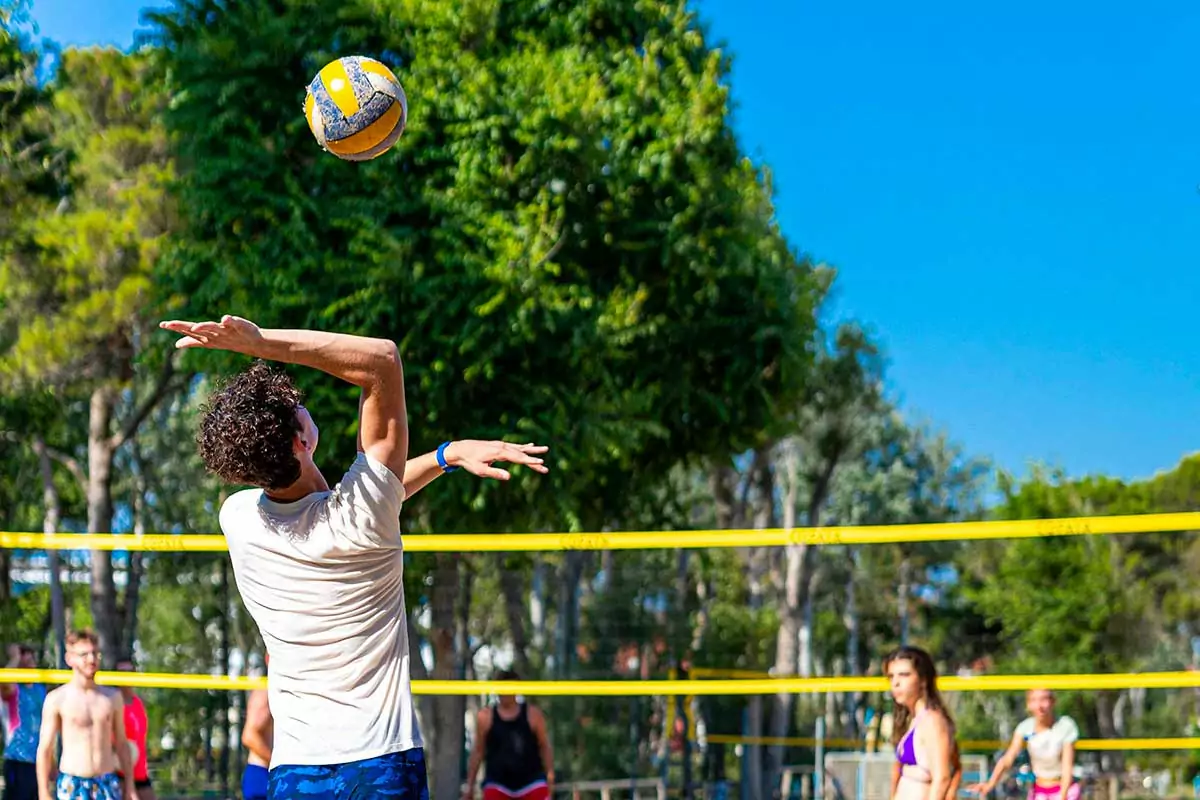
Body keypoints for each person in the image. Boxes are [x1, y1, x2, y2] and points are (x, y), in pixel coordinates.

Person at [159, 314, 549, 799]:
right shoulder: (361, 520)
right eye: (296, 407)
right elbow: (381, 360)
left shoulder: (237, 518)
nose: (303, 406)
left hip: (296, 770)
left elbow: (371, 500)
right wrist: (260, 343)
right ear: (301, 441)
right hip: (379, 763)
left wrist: (444, 456)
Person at [35, 630, 137, 800]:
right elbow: (45, 749)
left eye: (95, 654)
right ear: (70, 658)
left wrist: (130, 786)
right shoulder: (57, 699)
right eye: (84, 654)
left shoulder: (112, 697)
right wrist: (43, 792)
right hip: (72, 781)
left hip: (106, 781)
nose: (91, 660)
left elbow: (121, 743)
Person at [969, 689, 1079, 800]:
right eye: (1034, 700)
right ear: (1028, 704)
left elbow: (1067, 767)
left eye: (1044, 699)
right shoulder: (1025, 727)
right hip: (1039, 790)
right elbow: (1008, 759)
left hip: (1065, 790)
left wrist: (1063, 796)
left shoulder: (1065, 726)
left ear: (1053, 702)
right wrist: (990, 784)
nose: (1039, 705)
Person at [462, 670, 554, 800]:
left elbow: (544, 746)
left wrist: (550, 776)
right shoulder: (485, 717)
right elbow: (478, 751)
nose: (504, 692)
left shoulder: (533, 715)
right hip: (498, 783)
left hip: (531, 782)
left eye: (508, 687)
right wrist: (470, 786)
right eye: (501, 687)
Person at [885, 646, 957, 800]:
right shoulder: (914, 720)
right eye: (891, 676)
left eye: (904, 675)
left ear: (923, 680)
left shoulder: (932, 721)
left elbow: (942, 778)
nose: (896, 683)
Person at [3, 644, 47, 800]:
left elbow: (45, 724)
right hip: (17, 759)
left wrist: (51, 760)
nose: (29, 666)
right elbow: (5, 683)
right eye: (24, 664)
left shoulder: (40, 689)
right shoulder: (13, 689)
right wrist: (14, 658)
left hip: (39, 760)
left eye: (31, 662)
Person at [113, 658, 156, 800]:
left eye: (129, 671)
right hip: (120, 773)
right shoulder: (113, 703)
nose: (126, 675)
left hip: (140, 773)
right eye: (122, 672)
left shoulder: (138, 703)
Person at [241, 654, 273, 800]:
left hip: (268, 773)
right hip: (262, 774)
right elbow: (249, 736)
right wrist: (276, 762)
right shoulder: (265, 692)